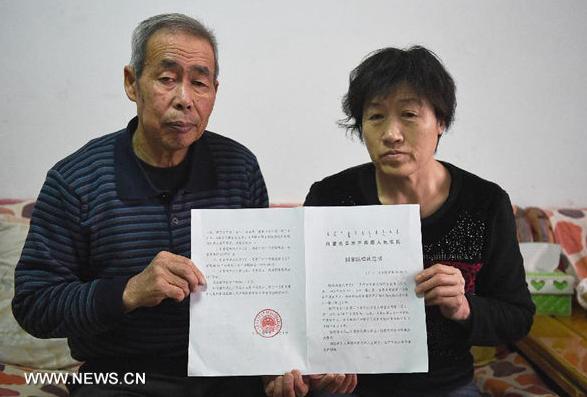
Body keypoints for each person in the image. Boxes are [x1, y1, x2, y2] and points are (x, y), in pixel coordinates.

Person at [12, 13, 269, 396]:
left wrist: (276, 362)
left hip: (225, 371)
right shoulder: (76, 180)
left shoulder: (240, 168)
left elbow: (266, 285)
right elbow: (35, 305)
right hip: (120, 375)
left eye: (199, 82)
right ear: (132, 83)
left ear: (215, 90)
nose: (184, 99)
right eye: (167, 79)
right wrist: (128, 292)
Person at [303, 46, 535, 396]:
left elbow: (517, 316)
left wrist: (463, 305)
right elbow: (299, 306)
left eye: (409, 115)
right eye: (376, 117)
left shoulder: (484, 203)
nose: (392, 134)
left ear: (440, 122)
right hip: (349, 388)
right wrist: (314, 367)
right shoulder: (331, 197)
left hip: (444, 385)